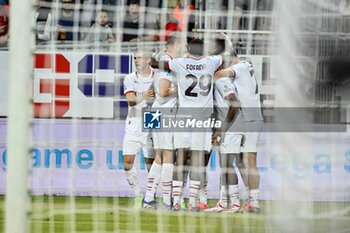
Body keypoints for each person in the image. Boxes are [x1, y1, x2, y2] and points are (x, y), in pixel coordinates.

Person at [151, 38, 224, 211]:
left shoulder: (179, 63)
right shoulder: (211, 62)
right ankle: (192, 202)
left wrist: (155, 56)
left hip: (183, 117)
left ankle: (176, 202)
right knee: (198, 161)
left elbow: (156, 64)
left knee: (181, 159)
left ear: (188, 49)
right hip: (203, 119)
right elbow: (226, 56)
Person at [214, 52, 263, 213]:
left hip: (244, 118)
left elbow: (221, 74)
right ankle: (253, 203)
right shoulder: (248, 66)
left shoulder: (238, 68)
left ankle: (235, 203)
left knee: (234, 162)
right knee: (246, 162)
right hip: (255, 116)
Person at [142, 33, 182, 209]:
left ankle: (148, 198)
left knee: (159, 156)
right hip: (165, 111)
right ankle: (166, 201)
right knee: (168, 156)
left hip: (156, 111)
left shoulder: (163, 58)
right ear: (178, 44)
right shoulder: (167, 59)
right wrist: (181, 87)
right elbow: (164, 91)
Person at [123, 49, 158, 208]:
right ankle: (137, 194)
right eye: (135, 58)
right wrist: (144, 96)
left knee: (151, 164)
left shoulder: (158, 77)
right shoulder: (129, 78)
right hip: (134, 122)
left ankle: (150, 197)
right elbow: (130, 101)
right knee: (127, 162)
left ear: (148, 60)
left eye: (140, 58)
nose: (136, 60)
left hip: (152, 120)